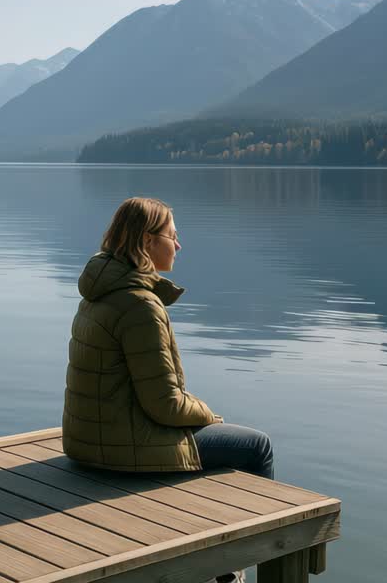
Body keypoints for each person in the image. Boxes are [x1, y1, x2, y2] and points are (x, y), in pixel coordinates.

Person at [62, 196, 274, 479]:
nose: (178, 245)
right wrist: (208, 415)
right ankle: (264, 520)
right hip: (122, 450)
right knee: (258, 445)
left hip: (86, 443)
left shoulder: (100, 292)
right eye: (172, 236)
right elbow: (165, 405)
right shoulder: (140, 306)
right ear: (147, 241)